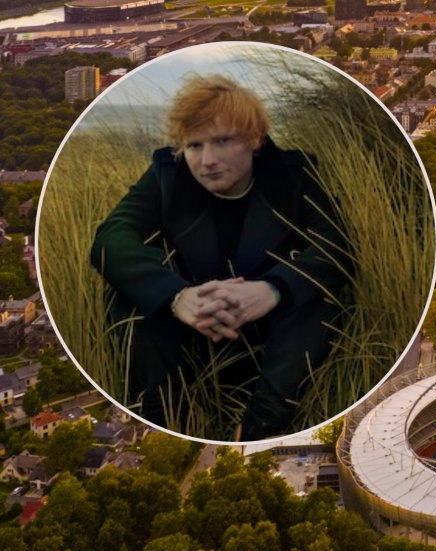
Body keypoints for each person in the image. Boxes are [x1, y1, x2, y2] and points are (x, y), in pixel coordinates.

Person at [90, 75, 351, 440]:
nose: (207, 161)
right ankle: (167, 423)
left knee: (317, 301)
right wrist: (176, 297)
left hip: (270, 332)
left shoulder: (294, 175)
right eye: (194, 146)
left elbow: (336, 245)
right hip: (192, 328)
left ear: (255, 138)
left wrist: (273, 290)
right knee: (127, 298)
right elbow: (111, 238)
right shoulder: (168, 175)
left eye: (222, 141)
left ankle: (257, 429)